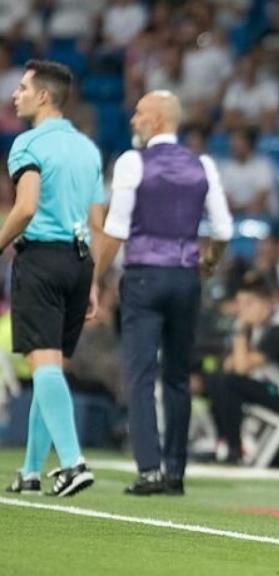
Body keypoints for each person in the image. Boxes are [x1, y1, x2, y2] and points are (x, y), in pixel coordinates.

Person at [91, 90, 234, 495]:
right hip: (186, 278)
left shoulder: (132, 163)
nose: (132, 120)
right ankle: (175, 471)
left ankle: (149, 468)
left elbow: (116, 230)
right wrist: (209, 262)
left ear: (155, 121)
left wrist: (94, 281)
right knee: (177, 376)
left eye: (138, 113)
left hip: (143, 277)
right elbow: (222, 230)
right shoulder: (202, 163)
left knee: (139, 374)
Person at [2, 60, 105, 497]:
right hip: (80, 263)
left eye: (23, 88)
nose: (15, 95)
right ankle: (29, 471)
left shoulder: (27, 143)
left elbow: (25, 208)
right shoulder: (88, 149)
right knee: (52, 368)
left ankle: (73, 462)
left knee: (42, 365)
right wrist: (95, 281)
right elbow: (97, 222)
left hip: (41, 259)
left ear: (44, 96)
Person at [203, 275, 279, 466]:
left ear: (266, 304)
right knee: (216, 380)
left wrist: (240, 328)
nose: (242, 310)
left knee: (230, 383)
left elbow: (241, 368)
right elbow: (230, 364)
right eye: (240, 304)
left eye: (249, 303)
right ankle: (223, 442)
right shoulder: (258, 330)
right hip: (267, 389)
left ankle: (235, 448)